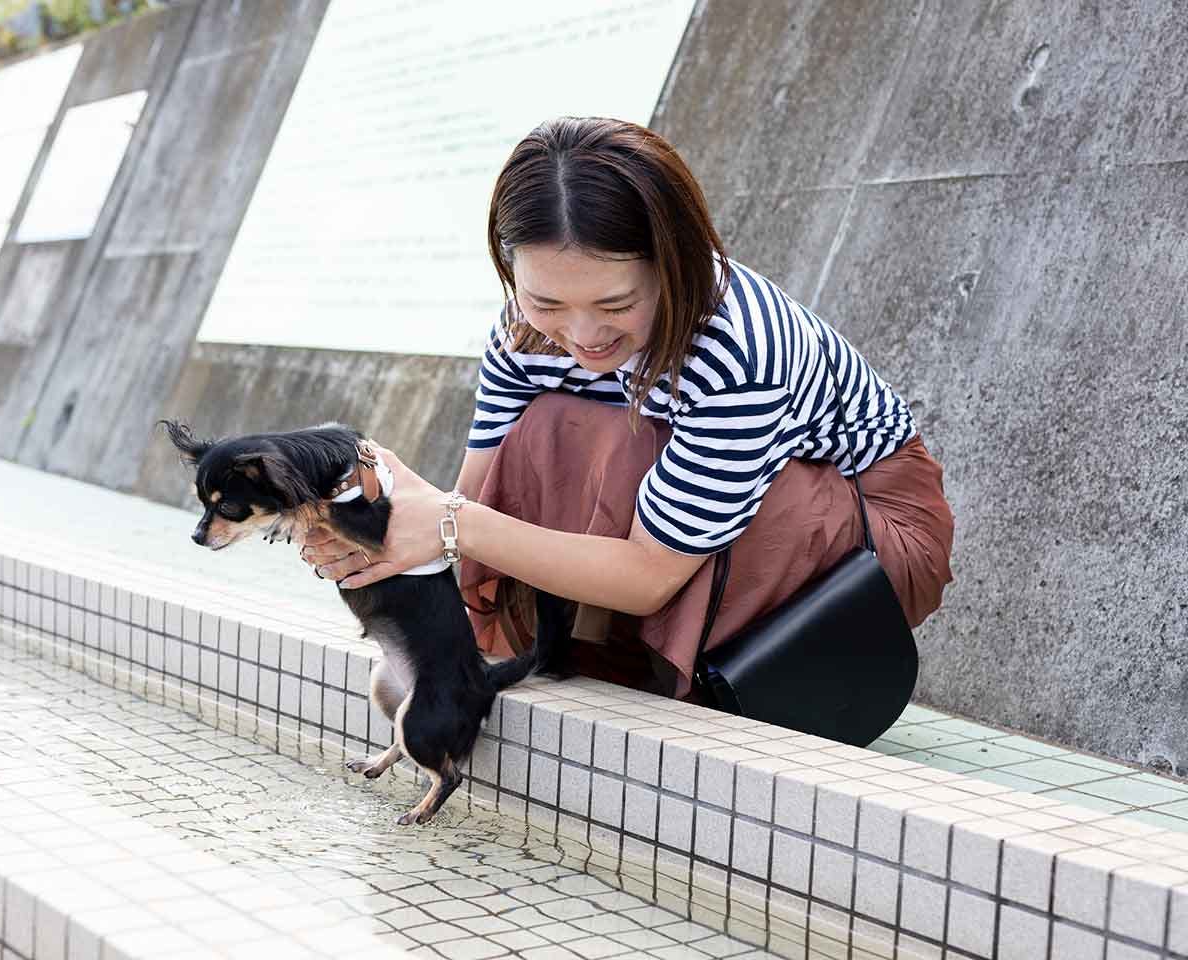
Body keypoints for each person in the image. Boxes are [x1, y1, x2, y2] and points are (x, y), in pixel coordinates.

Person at [300, 116, 953, 700]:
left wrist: (449, 524)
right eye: (548, 302)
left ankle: (648, 667)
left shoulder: (737, 351)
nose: (583, 335)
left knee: (613, 434)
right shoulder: (522, 331)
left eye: (615, 306)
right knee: (549, 429)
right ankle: (585, 656)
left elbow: (644, 573)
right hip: (711, 526)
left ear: (674, 263)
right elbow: (482, 494)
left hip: (869, 542)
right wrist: (390, 527)